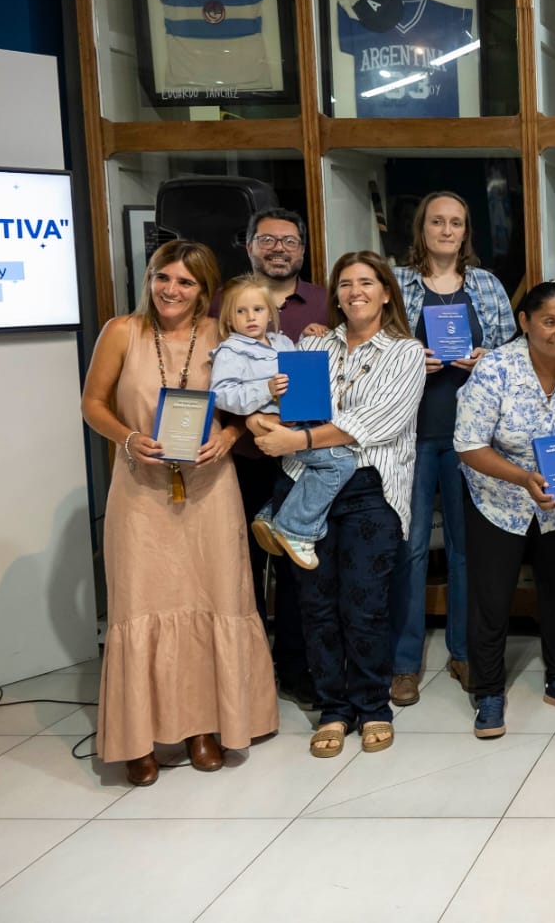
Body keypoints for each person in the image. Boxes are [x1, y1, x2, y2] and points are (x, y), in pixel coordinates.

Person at [82, 240, 278, 786]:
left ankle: (205, 728)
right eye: (162, 277)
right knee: (141, 603)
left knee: (212, 599)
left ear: (205, 290)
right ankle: (138, 739)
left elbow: (255, 397)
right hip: (140, 488)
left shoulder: (223, 333)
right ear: (149, 278)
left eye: (186, 282)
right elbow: (92, 404)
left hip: (210, 487)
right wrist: (127, 439)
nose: (171, 290)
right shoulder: (121, 331)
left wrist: (230, 436)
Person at [251, 251, 425, 757]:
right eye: (345, 284)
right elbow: (289, 406)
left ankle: (372, 706)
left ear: (386, 293)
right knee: (316, 606)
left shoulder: (406, 352)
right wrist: (268, 416)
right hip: (306, 485)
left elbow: (377, 422)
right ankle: (333, 708)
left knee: (365, 606)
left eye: (367, 282)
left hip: (371, 493)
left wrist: (298, 440)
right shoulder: (313, 345)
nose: (355, 292)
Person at [455, 281, 555, 737]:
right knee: (491, 597)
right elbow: (468, 444)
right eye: (549, 322)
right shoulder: (495, 369)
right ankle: (488, 691)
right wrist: (524, 478)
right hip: (497, 500)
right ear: (524, 322)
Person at [390, 191, 516, 706]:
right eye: (437, 221)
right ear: (421, 228)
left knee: (467, 551)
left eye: (456, 223)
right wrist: (406, 357)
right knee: (412, 548)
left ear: (466, 232)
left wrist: (487, 358)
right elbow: (368, 341)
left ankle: (464, 652)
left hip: (471, 439)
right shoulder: (396, 282)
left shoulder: (486, 285)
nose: (446, 231)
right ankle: (404, 664)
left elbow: (514, 352)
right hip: (411, 435)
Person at [225, 207, 327, 705]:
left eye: (289, 241)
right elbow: (211, 380)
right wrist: (246, 421)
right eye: (268, 240)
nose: (279, 249)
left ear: (303, 250)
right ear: (249, 246)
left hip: (305, 457)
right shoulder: (225, 303)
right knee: (241, 564)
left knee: (296, 566)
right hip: (242, 459)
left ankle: (294, 667)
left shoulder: (324, 303)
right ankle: (244, 670)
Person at [209, 274, 356, 569]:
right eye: (241, 311)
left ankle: (271, 514)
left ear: (270, 313)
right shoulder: (231, 350)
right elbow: (221, 395)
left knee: (317, 465)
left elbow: (297, 370)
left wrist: (308, 337)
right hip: (273, 429)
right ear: (229, 318)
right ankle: (295, 527)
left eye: (258, 309)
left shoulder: (283, 341)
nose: (251, 317)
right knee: (340, 463)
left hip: (303, 421)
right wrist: (264, 389)